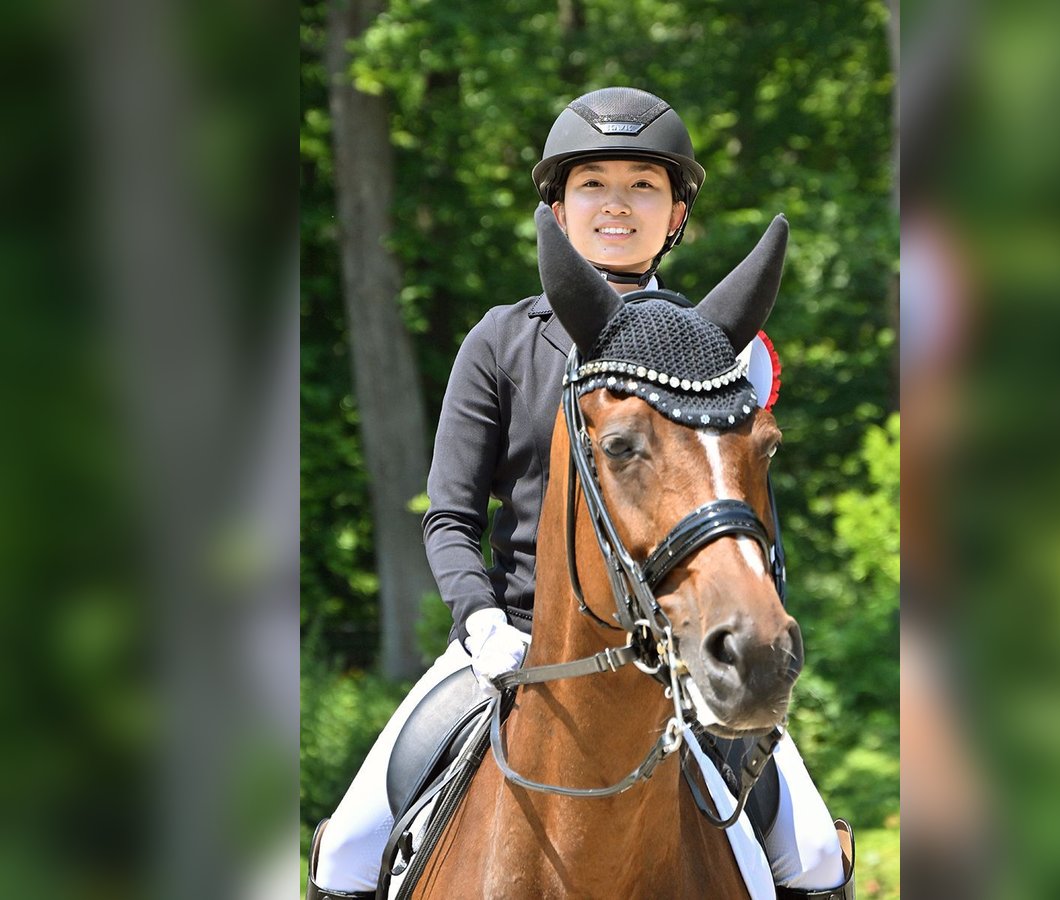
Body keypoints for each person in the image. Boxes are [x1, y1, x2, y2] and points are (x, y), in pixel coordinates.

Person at [308, 87, 852, 899]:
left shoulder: (708, 347)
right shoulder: (501, 340)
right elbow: (451, 517)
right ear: (559, 208)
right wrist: (480, 621)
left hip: (674, 650)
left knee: (812, 853)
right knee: (347, 851)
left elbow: (738, 503)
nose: (617, 204)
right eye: (593, 183)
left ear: (676, 215)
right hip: (510, 640)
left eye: (644, 185)